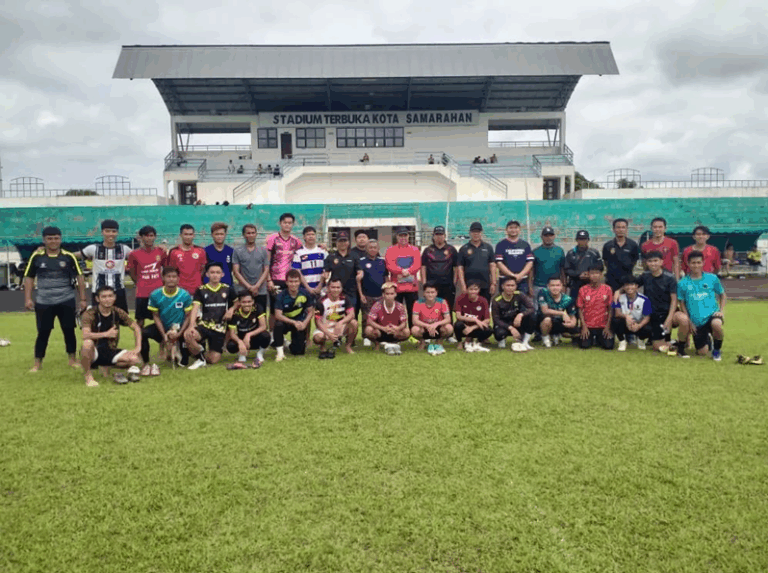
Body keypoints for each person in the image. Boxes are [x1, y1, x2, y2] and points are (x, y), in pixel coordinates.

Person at [24, 226, 87, 372]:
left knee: (69, 330)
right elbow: (29, 277)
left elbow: (80, 277)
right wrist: (28, 298)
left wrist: (83, 299)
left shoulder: (69, 256)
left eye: (56, 238)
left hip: (66, 300)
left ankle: (72, 360)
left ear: (60, 239)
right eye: (50, 238)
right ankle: (37, 363)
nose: (53, 241)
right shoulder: (37, 256)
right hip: (44, 301)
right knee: (43, 332)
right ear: (44, 240)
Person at [619, 250, 690, 356]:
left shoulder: (670, 278)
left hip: (670, 313)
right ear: (646, 263)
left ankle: (682, 347)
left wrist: (669, 318)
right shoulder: (645, 276)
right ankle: (672, 343)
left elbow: (674, 300)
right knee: (658, 347)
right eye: (650, 261)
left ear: (661, 262)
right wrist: (618, 292)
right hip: (654, 315)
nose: (653, 264)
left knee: (683, 319)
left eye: (656, 261)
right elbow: (631, 286)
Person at [80, 285, 142, 387]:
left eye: (110, 296)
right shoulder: (90, 313)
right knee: (87, 344)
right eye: (104, 297)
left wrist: (138, 347)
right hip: (94, 351)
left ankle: (106, 366)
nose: (107, 299)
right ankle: (88, 377)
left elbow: (136, 327)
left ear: (115, 297)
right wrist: (106, 334)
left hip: (111, 350)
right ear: (97, 299)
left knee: (135, 359)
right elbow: (85, 335)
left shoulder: (117, 311)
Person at [140, 266, 193, 376]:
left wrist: (179, 334)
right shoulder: (155, 294)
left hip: (180, 329)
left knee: (184, 362)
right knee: (143, 333)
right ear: (163, 278)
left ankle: (184, 350)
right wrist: (164, 335)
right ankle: (145, 362)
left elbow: (188, 317)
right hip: (163, 327)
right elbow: (156, 316)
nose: (171, 279)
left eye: (174, 277)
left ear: (178, 279)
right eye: (168, 276)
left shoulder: (185, 294)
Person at [185, 262, 236, 369]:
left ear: (222, 274)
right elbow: (195, 308)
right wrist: (191, 325)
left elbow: (237, 302)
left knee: (213, 360)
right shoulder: (201, 290)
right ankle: (200, 358)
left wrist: (231, 309)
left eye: (218, 272)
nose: (215, 275)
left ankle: (201, 352)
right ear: (207, 274)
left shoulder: (228, 289)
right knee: (188, 335)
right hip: (204, 325)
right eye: (212, 272)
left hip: (219, 328)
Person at [677, 251, 726, 361]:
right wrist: (689, 320)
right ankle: (708, 339)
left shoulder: (712, 278)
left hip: (712, 315)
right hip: (697, 321)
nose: (696, 265)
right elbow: (682, 303)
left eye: (699, 262)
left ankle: (717, 351)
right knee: (702, 352)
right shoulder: (682, 283)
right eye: (693, 263)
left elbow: (722, 295)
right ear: (688, 264)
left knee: (716, 324)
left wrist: (721, 311)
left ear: (703, 263)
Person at [74, 219, 132, 312]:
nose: (110, 234)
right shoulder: (93, 249)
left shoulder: (124, 249)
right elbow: (72, 256)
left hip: (118, 291)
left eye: (113, 231)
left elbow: (140, 256)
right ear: (102, 232)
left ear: (117, 233)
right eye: (107, 231)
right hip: (99, 291)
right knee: (99, 318)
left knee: (120, 318)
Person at [266, 213, 303, 330]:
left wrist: (321, 246)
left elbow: (304, 251)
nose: (287, 225)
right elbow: (266, 262)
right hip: (275, 279)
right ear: (280, 223)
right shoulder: (272, 239)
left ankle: (285, 334)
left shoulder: (296, 241)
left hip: (290, 280)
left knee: (290, 308)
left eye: (290, 223)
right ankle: (272, 335)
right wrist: (269, 280)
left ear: (293, 224)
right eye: (285, 222)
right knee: (274, 310)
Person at [127, 225, 166, 328]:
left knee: (162, 319)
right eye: (146, 236)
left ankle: (163, 339)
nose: (149, 238)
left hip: (158, 292)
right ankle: (139, 339)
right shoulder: (134, 254)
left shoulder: (161, 252)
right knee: (140, 321)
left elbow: (166, 268)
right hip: (142, 292)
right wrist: (140, 282)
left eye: (151, 235)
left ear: (155, 237)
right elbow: (132, 272)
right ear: (141, 237)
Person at [273, 269, 315, 361]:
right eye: (291, 281)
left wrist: (304, 323)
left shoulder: (305, 293)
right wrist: (293, 322)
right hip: (286, 322)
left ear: (300, 282)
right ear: (286, 282)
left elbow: (311, 311)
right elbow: (278, 315)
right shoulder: (281, 295)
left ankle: (288, 344)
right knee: (278, 325)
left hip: (299, 323)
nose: (293, 284)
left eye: (296, 281)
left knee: (298, 352)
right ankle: (280, 353)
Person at [385, 227, 422, 327]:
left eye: (405, 235)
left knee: (413, 311)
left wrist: (408, 271)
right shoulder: (391, 250)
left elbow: (417, 265)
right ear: (397, 237)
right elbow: (389, 265)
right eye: (400, 236)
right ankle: (397, 331)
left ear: (408, 236)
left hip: (412, 287)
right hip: (396, 287)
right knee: (396, 312)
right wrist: (401, 271)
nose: (403, 238)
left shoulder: (414, 249)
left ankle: (413, 331)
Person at [314, 278, 358, 358]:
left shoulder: (345, 299)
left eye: (338, 287)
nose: (336, 290)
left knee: (354, 323)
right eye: (333, 287)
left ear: (341, 288)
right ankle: (322, 346)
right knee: (318, 338)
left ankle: (348, 346)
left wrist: (341, 322)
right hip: (325, 329)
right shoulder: (320, 302)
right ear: (328, 288)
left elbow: (352, 314)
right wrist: (329, 334)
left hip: (340, 327)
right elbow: (317, 321)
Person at [226, 292, 270, 369]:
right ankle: (242, 354)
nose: (247, 304)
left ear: (253, 301)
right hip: (241, 338)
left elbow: (263, 326)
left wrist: (249, 335)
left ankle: (259, 354)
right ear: (239, 303)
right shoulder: (235, 313)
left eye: (249, 302)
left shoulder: (257, 308)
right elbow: (232, 334)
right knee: (231, 346)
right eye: (244, 302)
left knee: (266, 336)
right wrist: (240, 342)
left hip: (255, 337)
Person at [232, 224, 270, 312]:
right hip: (243, 290)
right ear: (244, 235)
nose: (251, 235)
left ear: (256, 234)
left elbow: (266, 270)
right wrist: (249, 287)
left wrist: (257, 286)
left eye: (253, 233)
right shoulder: (237, 251)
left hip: (261, 290)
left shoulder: (263, 250)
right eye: (248, 233)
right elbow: (236, 271)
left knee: (261, 315)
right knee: (243, 316)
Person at [323, 231, 363, 313]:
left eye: (345, 241)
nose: (343, 243)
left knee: (351, 315)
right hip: (335, 292)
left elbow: (360, 270)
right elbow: (326, 272)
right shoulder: (331, 257)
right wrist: (325, 277)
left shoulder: (354, 255)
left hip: (351, 292)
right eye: (340, 241)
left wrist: (360, 275)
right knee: (336, 315)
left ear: (348, 242)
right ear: (336, 243)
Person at [492, 277, 536, 351]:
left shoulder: (519, 294)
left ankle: (525, 342)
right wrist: (510, 328)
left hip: (516, 321)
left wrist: (520, 315)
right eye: (508, 285)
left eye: (512, 285)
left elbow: (531, 308)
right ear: (502, 286)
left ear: (516, 286)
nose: (510, 288)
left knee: (532, 316)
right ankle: (502, 339)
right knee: (499, 333)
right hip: (504, 324)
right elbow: (496, 319)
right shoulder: (496, 300)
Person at [576, 264, 614, 350]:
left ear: (601, 275)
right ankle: (591, 338)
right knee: (584, 345)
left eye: (597, 273)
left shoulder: (608, 289)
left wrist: (607, 327)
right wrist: (584, 327)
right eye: (592, 273)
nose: (595, 275)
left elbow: (610, 308)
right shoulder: (583, 289)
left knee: (608, 346)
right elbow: (580, 309)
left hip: (603, 325)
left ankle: (598, 339)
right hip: (588, 325)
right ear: (588, 274)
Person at [364, 282, 409, 354]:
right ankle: (377, 344)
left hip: (394, 331)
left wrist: (397, 328)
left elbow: (404, 323)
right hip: (381, 331)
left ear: (395, 294)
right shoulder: (377, 305)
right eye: (387, 294)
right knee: (368, 330)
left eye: (392, 294)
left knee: (406, 331)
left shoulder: (400, 306)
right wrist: (383, 328)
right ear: (383, 295)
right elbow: (370, 321)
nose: (389, 296)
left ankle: (395, 342)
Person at [457, 222, 497, 302]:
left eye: (478, 232)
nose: (476, 234)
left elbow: (492, 266)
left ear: (481, 233)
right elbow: (460, 268)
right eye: (474, 232)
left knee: (485, 306)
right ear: (470, 233)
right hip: (469, 286)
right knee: (469, 308)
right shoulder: (463, 249)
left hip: (485, 284)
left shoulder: (488, 247)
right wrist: (462, 284)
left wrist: (493, 283)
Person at [421, 226, 459, 310]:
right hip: (432, 286)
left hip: (448, 285)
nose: (439, 237)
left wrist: (454, 282)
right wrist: (424, 283)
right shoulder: (427, 250)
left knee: (448, 309)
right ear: (433, 236)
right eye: (437, 234)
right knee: (432, 309)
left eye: (441, 234)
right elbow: (423, 267)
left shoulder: (451, 250)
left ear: (445, 236)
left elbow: (456, 267)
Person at [611, 275, 652, 352]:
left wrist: (639, 325)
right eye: (627, 285)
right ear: (623, 287)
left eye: (632, 285)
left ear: (637, 286)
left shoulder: (644, 299)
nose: (629, 287)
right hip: (625, 323)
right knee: (615, 321)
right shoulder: (619, 297)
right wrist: (626, 317)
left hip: (638, 324)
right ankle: (622, 341)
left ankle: (640, 339)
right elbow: (617, 313)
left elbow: (647, 317)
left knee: (649, 326)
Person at [411, 282, 453, 355]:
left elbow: (448, 319)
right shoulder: (417, 303)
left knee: (449, 328)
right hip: (424, 327)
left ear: (436, 293)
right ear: (424, 293)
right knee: (414, 329)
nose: (430, 295)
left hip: (438, 327)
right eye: (428, 292)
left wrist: (436, 324)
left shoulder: (442, 302)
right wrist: (428, 326)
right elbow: (415, 320)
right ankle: (422, 342)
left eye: (432, 292)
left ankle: (439, 342)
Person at [529, 226, 565, 310]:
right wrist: (530, 286)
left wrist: (564, 285)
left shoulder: (559, 251)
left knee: (555, 310)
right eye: (546, 235)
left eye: (550, 235)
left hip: (555, 286)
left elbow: (562, 269)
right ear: (541, 237)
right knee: (537, 310)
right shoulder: (535, 251)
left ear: (554, 236)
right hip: (539, 286)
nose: (548, 238)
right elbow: (531, 270)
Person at [537, 277, 578, 348]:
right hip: (542, 321)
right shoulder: (543, 292)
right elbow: (545, 310)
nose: (555, 288)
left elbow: (572, 316)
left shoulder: (568, 299)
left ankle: (557, 334)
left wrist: (572, 324)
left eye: (557, 285)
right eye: (552, 285)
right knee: (547, 320)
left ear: (561, 286)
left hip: (558, 321)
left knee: (579, 333)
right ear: (548, 286)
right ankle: (545, 338)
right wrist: (562, 313)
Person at [495, 219, 534, 295]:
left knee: (522, 301)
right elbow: (499, 263)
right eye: (511, 228)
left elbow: (530, 262)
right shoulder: (500, 245)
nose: (513, 230)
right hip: (505, 280)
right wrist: (512, 276)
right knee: (505, 301)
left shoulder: (525, 245)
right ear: (506, 230)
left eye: (515, 228)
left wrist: (520, 275)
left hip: (522, 280)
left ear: (519, 230)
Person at [357, 239, 388, 332]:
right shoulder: (361, 261)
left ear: (378, 249)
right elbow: (358, 281)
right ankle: (366, 336)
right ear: (366, 249)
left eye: (375, 247)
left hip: (380, 295)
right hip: (366, 295)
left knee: (380, 317)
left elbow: (386, 278)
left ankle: (380, 335)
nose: (372, 249)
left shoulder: (382, 261)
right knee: (366, 317)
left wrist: (386, 293)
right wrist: (361, 295)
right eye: (370, 247)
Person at [167, 224, 207, 295]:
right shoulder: (174, 252)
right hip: (180, 290)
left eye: (190, 234)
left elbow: (203, 270)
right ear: (180, 235)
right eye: (185, 234)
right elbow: (171, 271)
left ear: (194, 235)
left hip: (197, 290)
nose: (188, 237)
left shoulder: (201, 251)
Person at [564, 230, 602, 301]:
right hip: (575, 285)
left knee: (591, 304)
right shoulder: (571, 253)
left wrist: (590, 274)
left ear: (588, 240)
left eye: (584, 239)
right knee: (575, 304)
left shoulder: (594, 252)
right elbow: (567, 269)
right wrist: (579, 274)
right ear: (576, 240)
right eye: (580, 239)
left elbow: (600, 267)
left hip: (591, 284)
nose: (582, 241)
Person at [602, 218, 640, 291]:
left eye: (623, 227)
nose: (621, 230)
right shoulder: (608, 245)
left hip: (627, 281)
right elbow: (606, 262)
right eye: (618, 227)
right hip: (611, 280)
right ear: (614, 229)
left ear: (626, 229)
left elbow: (634, 261)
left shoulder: (633, 245)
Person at [454, 281, 492, 352]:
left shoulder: (483, 300)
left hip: (476, 327)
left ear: (479, 290)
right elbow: (458, 316)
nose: (473, 291)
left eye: (475, 289)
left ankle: (478, 342)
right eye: (471, 289)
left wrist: (472, 327)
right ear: (467, 290)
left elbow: (487, 320)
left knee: (489, 329)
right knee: (457, 324)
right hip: (464, 327)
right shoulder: (460, 298)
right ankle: (460, 342)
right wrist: (474, 320)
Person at [292, 226, 327, 295]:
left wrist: (319, 286)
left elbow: (326, 270)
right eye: (308, 235)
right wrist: (308, 288)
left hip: (321, 289)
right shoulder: (298, 253)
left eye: (313, 234)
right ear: (304, 237)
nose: (311, 236)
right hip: (305, 289)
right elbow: (298, 272)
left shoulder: (323, 251)